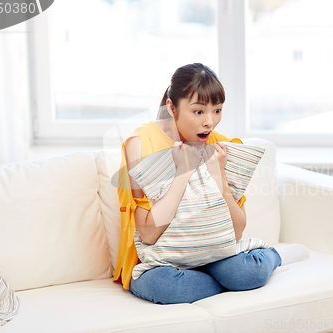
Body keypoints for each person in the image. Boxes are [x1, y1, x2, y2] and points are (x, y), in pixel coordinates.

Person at [114, 63, 308, 304]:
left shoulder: (222, 147)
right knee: (166, 287)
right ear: (172, 108)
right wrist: (182, 174)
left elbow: (236, 232)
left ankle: (272, 257)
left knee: (248, 272)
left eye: (217, 110)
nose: (210, 122)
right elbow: (149, 234)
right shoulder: (142, 144)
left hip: (212, 254)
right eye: (198, 111)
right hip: (157, 262)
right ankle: (232, 282)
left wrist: (220, 180)